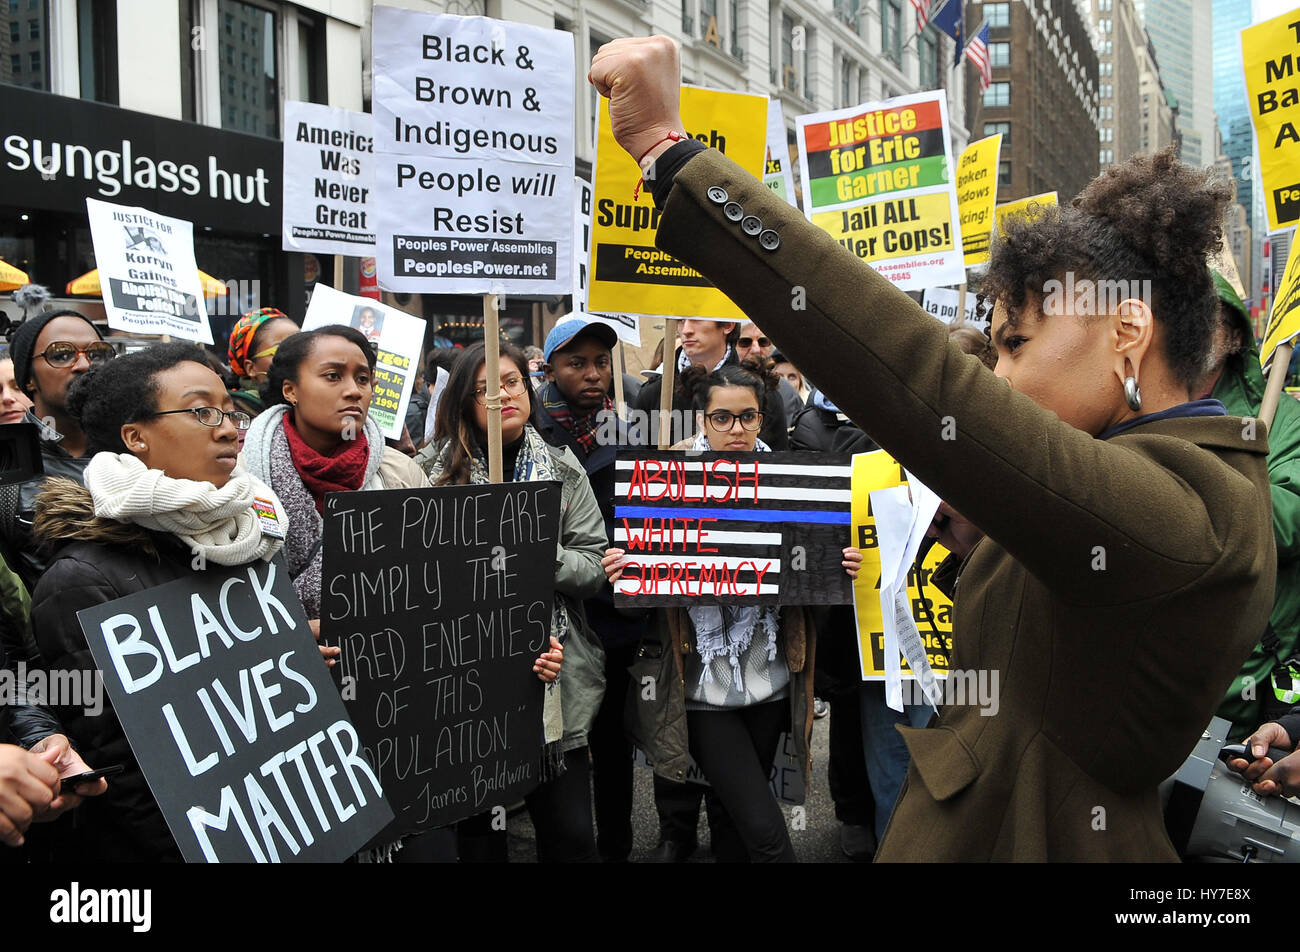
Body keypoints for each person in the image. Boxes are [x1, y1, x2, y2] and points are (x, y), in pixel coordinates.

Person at [590, 37, 1273, 860]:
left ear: (1129, 330)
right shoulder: (1133, 481)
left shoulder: (1193, 505)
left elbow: (927, 380)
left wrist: (672, 153)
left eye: (1017, 343)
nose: (1001, 375)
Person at [29, 342, 286, 860]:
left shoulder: (252, 538)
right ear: (135, 437)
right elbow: (131, 777)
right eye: (200, 411)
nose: (227, 428)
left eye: (228, 409)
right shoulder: (82, 581)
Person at [605, 357, 861, 862]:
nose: (735, 429)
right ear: (702, 419)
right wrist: (626, 566)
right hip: (700, 687)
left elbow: (815, 588)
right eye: (722, 417)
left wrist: (841, 562)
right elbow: (635, 602)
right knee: (765, 831)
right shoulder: (665, 478)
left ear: (762, 418)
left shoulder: (792, 479)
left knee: (733, 826)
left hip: (769, 682)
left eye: (747, 417)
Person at [417, 341, 607, 862]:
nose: (502, 395)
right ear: (462, 401)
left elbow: (593, 568)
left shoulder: (564, 468)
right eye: (484, 389)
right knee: (480, 838)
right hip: (464, 686)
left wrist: (531, 551)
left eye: (511, 382)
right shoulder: (426, 474)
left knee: (570, 837)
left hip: (554, 676)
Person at [531, 317, 649, 862]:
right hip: (559, 619)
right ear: (550, 367)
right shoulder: (523, 431)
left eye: (602, 361)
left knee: (613, 745)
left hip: (618, 614)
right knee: (564, 748)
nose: (593, 373)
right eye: (577, 362)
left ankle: (618, 847)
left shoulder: (631, 428)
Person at [241, 325, 428, 633]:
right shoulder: (240, 481)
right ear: (290, 390)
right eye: (333, 376)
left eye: (363, 378)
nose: (354, 390)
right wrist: (297, 633)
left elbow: (428, 580)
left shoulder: (401, 474)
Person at [1196, 274, 1300, 741]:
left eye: (1206, 315)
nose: (1188, 325)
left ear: (1236, 337)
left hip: (1247, 698)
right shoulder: (1130, 408)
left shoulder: (1284, 421)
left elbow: (1288, 521)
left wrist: (1194, 480)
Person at [0, 309, 115, 592]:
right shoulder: (7, 461)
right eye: (61, 354)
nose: (84, 365)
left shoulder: (140, 446)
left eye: (97, 353)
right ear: (28, 379)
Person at [634, 318, 788, 449]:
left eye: (696, 319)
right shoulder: (654, 394)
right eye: (680, 320)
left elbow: (780, 473)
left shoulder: (762, 392)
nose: (686, 330)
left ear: (728, 325)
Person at [226, 307, 300, 418]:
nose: (295, 355)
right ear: (251, 368)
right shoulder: (236, 413)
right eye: (280, 350)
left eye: (301, 347)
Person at [736, 321, 803, 424]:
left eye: (763, 342)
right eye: (745, 342)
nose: (756, 349)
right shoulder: (717, 384)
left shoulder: (786, 392)